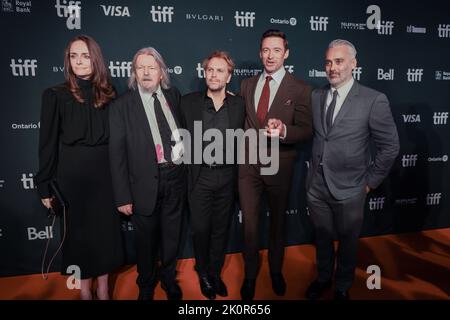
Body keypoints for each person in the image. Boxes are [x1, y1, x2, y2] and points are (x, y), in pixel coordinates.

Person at [305, 39, 399, 300]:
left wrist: (369, 183)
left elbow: (390, 147)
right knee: (322, 238)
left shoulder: (373, 100)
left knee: (347, 242)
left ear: (353, 64)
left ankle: (343, 285)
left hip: (351, 188)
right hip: (317, 184)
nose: (332, 67)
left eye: (339, 61)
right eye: (328, 62)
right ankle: (323, 277)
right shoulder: (316, 95)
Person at [35, 35, 124, 300]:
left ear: (95, 58)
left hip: (106, 176)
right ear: (68, 60)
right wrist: (43, 185)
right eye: (74, 56)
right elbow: (47, 144)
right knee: (80, 238)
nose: (79, 61)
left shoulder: (109, 93)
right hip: (73, 178)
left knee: (106, 235)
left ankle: (104, 288)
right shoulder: (54, 95)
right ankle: (85, 290)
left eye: (85, 55)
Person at [239, 29, 312, 300]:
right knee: (249, 224)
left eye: (276, 50)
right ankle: (249, 275)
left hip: (280, 165)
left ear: (286, 53)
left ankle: (276, 271)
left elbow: (306, 130)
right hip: (248, 167)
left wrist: (284, 131)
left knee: (278, 224)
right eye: (266, 50)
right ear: (260, 53)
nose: (270, 56)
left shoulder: (302, 89)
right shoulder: (246, 85)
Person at [109, 47, 186, 300]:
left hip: (175, 179)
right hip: (143, 184)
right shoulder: (122, 106)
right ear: (133, 73)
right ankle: (145, 284)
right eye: (140, 67)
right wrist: (122, 196)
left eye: (151, 67)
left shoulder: (173, 96)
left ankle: (168, 279)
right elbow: (117, 154)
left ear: (161, 72)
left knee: (172, 237)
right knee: (146, 242)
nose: (146, 72)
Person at [180, 51, 245, 300]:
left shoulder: (238, 104)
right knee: (201, 229)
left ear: (228, 76)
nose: (214, 75)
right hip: (200, 177)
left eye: (220, 70)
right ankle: (203, 272)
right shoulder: (188, 102)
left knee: (221, 229)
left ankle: (215, 273)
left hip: (228, 177)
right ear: (204, 73)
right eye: (210, 70)